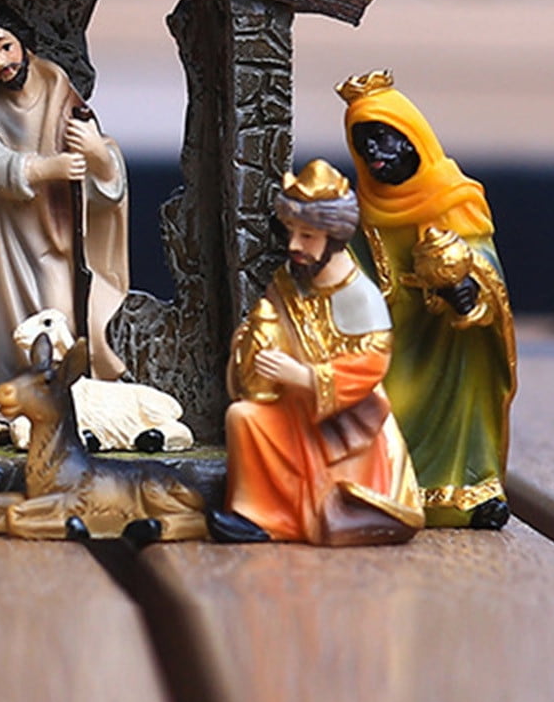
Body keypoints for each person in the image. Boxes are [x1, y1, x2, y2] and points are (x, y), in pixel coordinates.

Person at [212, 160, 424, 546]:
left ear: (335, 237)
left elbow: (373, 364)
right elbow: (271, 328)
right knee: (244, 417)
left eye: (307, 236)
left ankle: (321, 513)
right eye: (291, 233)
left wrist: (304, 377)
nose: (295, 245)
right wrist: (256, 340)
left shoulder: (359, 297)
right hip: (290, 405)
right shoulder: (288, 281)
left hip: (345, 420)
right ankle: (260, 517)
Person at [340, 71, 515, 528]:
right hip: (393, 338)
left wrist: (470, 290)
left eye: (384, 138)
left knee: (463, 407)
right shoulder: (363, 214)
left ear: (413, 137)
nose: (375, 153)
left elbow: (484, 261)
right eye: (363, 143)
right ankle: (389, 490)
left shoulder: (454, 198)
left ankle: (469, 492)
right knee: (384, 408)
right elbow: (351, 272)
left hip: (450, 340)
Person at [0, 1, 128, 427]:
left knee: (57, 319)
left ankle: (58, 406)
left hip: (56, 239)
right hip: (7, 238)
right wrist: (47, 167)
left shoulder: (64, 98)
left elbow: (107, 185)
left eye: (4, 47)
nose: (0, 62)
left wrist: (97, 155)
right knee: (8, 325)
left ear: (24, 43)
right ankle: (6, 409)